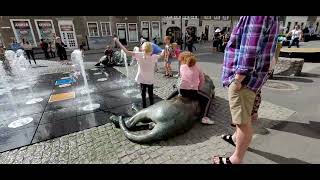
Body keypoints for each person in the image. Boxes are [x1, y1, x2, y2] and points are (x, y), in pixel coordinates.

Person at [217, 16, 279, 164]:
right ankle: (234, 139)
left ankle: (236, 159)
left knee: (243, 122)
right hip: (249, 78)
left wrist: (238, 79)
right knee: (243, 118)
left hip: (243, 80)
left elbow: (250, 49)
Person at [167, 51, 214, 125]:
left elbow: (181, 78)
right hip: (192, 92)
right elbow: (202, 80)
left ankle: (167, 99)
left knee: (178, 90)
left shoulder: (182, 67)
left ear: (183, 59)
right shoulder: (198, 67)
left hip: (182, 91)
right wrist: (198, 88)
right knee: (208, 99)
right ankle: (204, 117)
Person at [113, 37, 161, 108]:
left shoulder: (139, 54)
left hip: (142, 79)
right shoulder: (154, 56)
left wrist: (118, 42)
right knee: (151, 94)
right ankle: (152, 108)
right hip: (150, 79)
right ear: (151, 50)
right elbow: (162, 54)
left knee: (143, 94)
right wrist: (166, 48)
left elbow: (126, 52)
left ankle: (144, 107)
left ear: (142, 48)